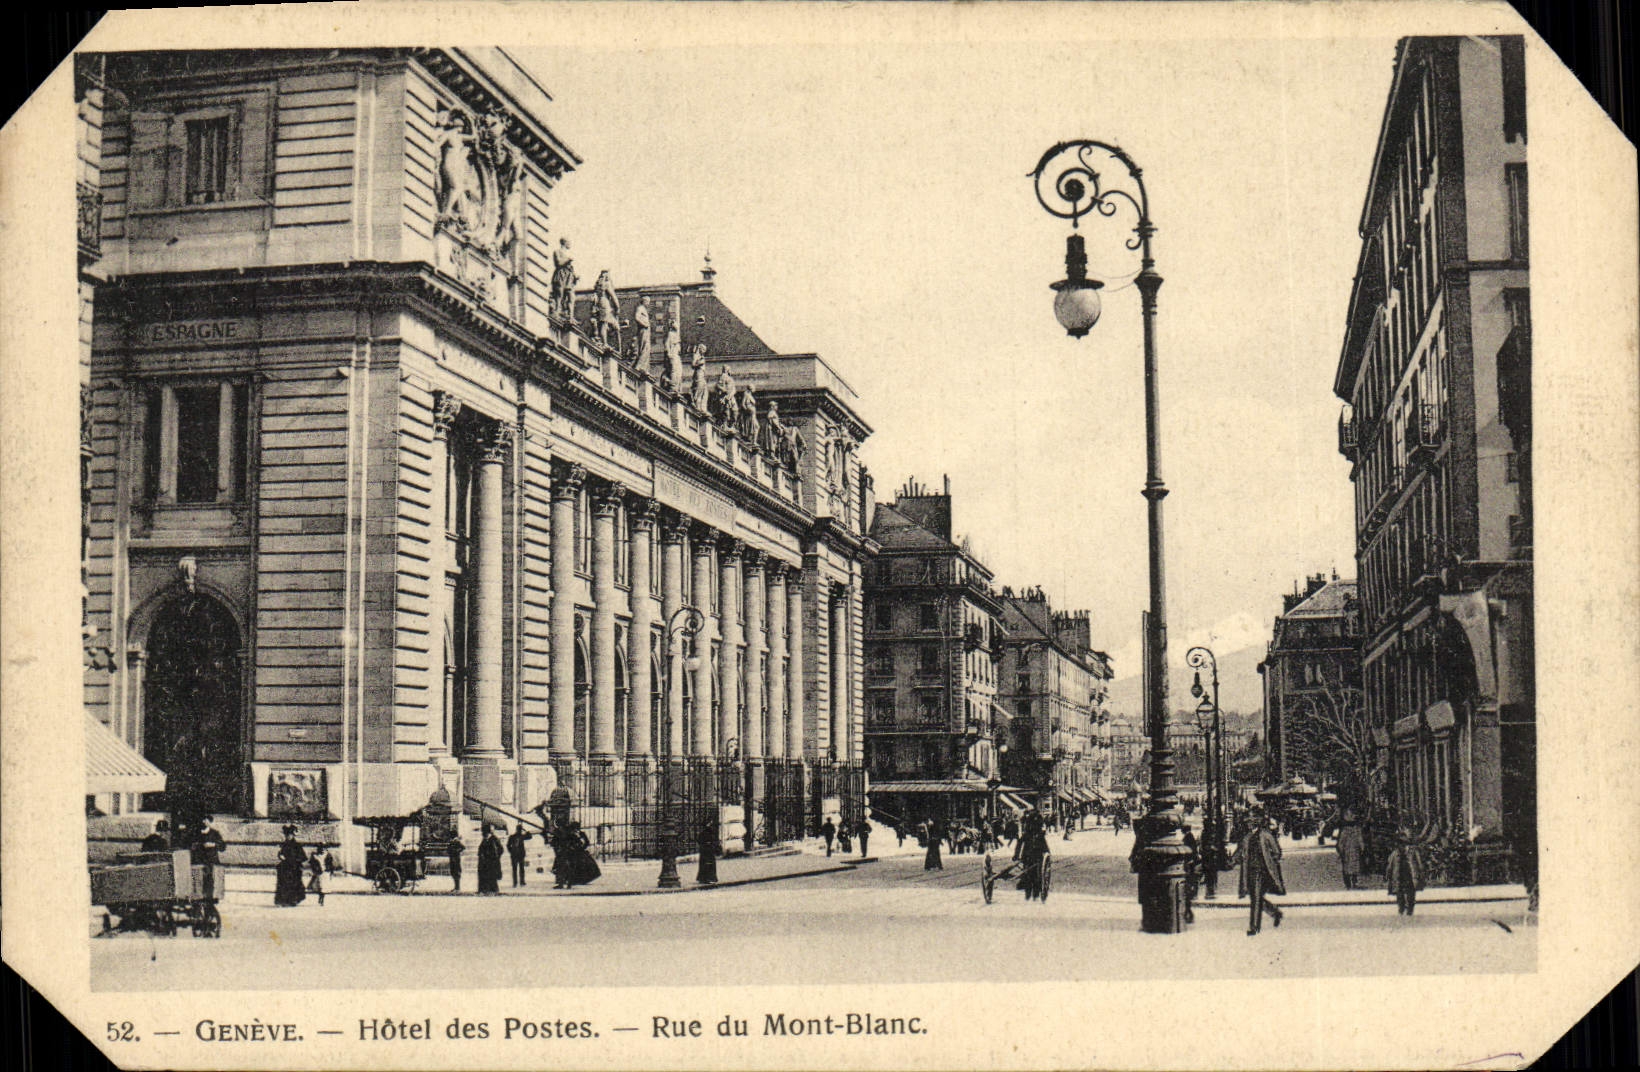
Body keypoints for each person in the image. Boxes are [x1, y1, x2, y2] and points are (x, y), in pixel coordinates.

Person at [1234, 808, 1286, 935]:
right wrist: (1230, 861)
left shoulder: (1266, 835)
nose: (1248, 824)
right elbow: (1239, 852)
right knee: (1256, 898)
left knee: (1256, 899)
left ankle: (1254, 927)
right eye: (1247, 822)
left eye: (1251, 822)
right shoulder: (1246, 838)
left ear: (1256, 823)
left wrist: (1271, 863)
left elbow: (1277, 852)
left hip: (1264, 872)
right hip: (1250, 872)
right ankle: (1275, 913)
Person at [1385, 827, 1427, 916]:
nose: (1403, 846)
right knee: (1399, 893)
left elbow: (1419, 863)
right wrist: (1388, 875)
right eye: (1401, 843)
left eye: (1405, 843)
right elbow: (1390, 865)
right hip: (1399, 875)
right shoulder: (1395, 853)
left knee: (1410, 893)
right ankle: (1401, 908)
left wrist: (1421, 873)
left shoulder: (1413, 851)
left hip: (1410, 875)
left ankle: (1410, 909)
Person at [1015, 811, 1050, 901]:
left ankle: (1031, 894)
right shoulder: (1037, 835)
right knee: (1032, 875)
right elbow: (1045, 847)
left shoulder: (1029, 834)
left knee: (1030, 875)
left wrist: (1016, 855)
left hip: (1031, 857)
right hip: (1034, 857)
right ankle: (1032, 894)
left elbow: (1019, 843)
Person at [193, 816, 227, 904]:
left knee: (210, 881)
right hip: (199, 861)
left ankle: (209, 899)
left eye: (205, 820)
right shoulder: (196, 834)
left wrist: (214, 845)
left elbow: (222, 846)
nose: (203, 822)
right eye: (202, 820)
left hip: (211, 862)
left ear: (209, 822)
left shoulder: (215, 833)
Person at [274, 825, 307, 906]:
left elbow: (304, 857)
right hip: (285, 868)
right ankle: (283, 900)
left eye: (289, 835)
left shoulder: (297, 845)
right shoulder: (284, 845)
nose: (288, 836)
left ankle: (293, 900)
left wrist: (295, 860)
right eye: (286, 835)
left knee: (294, 884)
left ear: (293, 835)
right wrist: (280, 856)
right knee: (283, 884)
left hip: (294, 868)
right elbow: (281, 854)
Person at [1335, 810, 1366, 890]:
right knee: (1353, 867)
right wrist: (1362, 848)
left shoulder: (1345, 831)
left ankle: (1349, 883)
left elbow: (1341, 842)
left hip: (1348, 852)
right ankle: (1352, 882)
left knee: (1348, 868)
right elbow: (1360, 840)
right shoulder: (1355, 830)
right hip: (1352, 851)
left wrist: (1341, 850)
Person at [1181, 822, 1201, 924]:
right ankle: (1188, 913)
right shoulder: (1190, 836)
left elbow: (1190, 851)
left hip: (1190, 864)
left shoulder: (1188, 837)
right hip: (1192, 863)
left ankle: (1188, 913)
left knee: (1189, 884)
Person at [477, 823, 503, 895]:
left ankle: (493, 890)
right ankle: (484, 890)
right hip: (484, 862)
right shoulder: (485, 840)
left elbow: (500, 850)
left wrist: (495, 857)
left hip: (491, 861)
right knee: (484, 875)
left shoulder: (494, 839)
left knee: (491, 876)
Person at [696, 817, 721, 886]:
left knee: (706, 864)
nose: (710, 824)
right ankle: (708, 878)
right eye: (709, 823)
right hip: (708, 850)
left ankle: (704, 878)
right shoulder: (709, 831)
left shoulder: (707, 831)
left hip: (706, 850)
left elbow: (700, 840)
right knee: (708, 864)